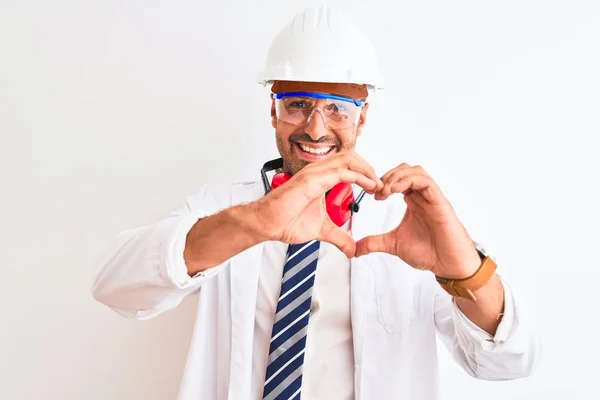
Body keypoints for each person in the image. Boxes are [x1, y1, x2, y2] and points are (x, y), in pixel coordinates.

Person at [92, 5, 540, 400]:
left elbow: (508, 363)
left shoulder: (408, 221)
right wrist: (255, 222)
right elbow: (116, 287)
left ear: (362, 117)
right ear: (273, 110)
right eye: (298, 105)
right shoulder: (225, 208)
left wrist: (462, 269)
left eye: (337, 109)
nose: (316, 129)